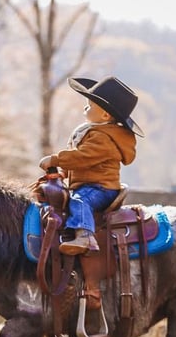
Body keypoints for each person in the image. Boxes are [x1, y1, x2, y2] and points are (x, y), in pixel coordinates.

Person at [39, 76, 143, 256]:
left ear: (105, 115)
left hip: (101, 188)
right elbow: (80, 163)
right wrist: (64, 173)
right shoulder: (92, 132)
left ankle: (84, 235)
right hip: (89, 184)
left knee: (80, 200)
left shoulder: (103, 138)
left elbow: (83, 157)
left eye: (89, 105)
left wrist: (56, 160)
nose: (85, 108)